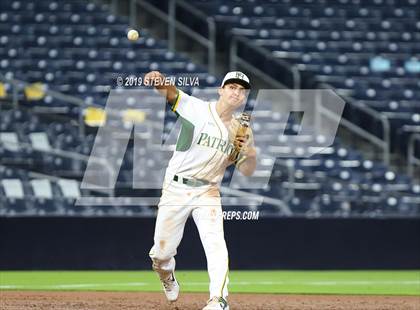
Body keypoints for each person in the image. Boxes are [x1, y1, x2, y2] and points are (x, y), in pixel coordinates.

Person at [144, 70, 257, 310]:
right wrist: (159, 80)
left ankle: (219, 299)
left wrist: (250, 151)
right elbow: (170, 93)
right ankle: (167, 275)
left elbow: (247, 170)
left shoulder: (241, 130)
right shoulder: (196, 108)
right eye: (232, 87)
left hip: (209, 191)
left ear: (245, 97)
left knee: (216, 244)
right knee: (161, 254)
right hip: (176, 187)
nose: (236, 92)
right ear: (221, 90)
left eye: (241, 90)